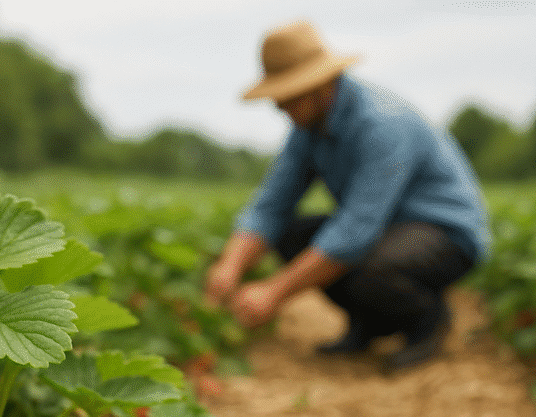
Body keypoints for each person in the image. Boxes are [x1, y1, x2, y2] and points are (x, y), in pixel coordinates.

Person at [205, 21, 491, 372]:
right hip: (387, 231)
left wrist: (274, 291)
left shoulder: (382, 124)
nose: (279, 107)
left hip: (444, 234)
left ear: (320, 86)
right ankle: (368, 323)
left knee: (371, 264)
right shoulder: (309, 129)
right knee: (293, 235)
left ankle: (427, 322)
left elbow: (355, 231)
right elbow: (272, 204)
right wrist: (229, 265)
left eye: (287, 97)